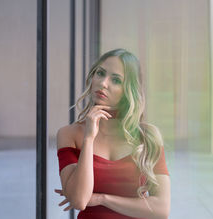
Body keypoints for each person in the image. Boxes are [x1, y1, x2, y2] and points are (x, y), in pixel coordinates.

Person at [56, 48, 170, 219]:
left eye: (116, 80)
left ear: (128, 89)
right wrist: (89, 138)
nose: (103, 83)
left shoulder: (148, 136)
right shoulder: (69, 134)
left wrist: (103, 198)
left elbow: (161, 210)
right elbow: (79, 200)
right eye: (100, 73)